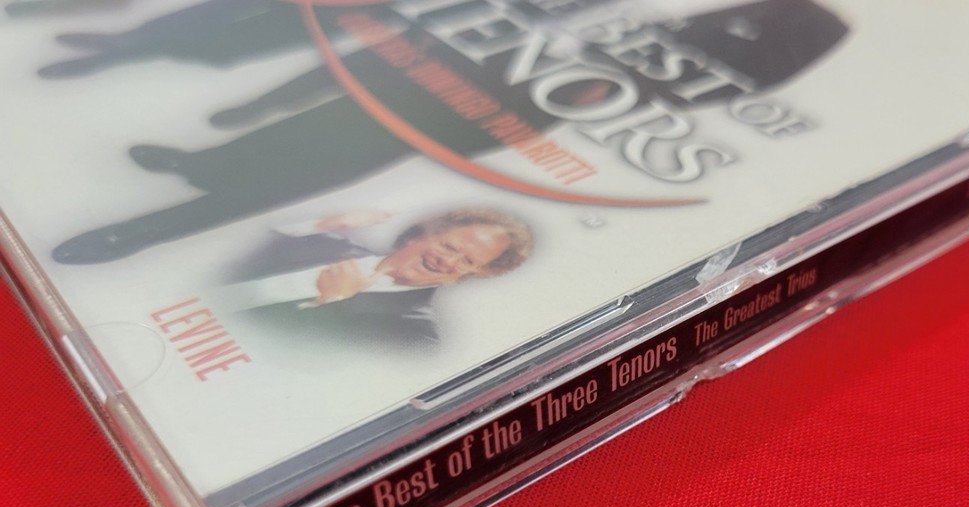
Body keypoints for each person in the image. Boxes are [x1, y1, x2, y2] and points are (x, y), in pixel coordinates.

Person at [50, 0, 849, 263]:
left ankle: (146, 232)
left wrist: (633, 76)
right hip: (517, 57)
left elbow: (741, 75)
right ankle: (211, 164)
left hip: (551, 98)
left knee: (358, 150)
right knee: (355, 110)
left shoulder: (816, 22)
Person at [213, 208, 534, 347]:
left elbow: (303, 368)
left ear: (471, 275)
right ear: (418, 235)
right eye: (449, 246)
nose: (446, 261)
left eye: (466, 262)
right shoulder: (330, 240)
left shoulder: (416, 334)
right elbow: (231, 245)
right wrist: (323, 224)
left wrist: (331, 300)